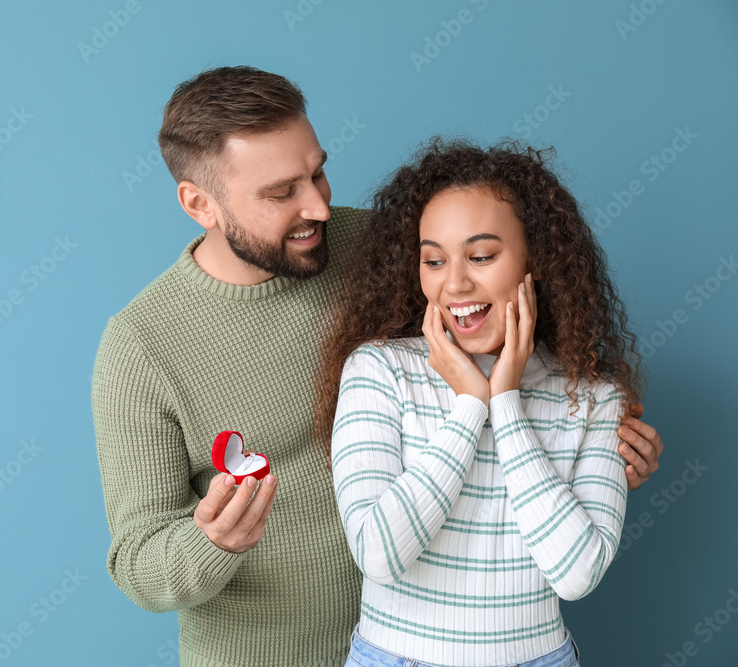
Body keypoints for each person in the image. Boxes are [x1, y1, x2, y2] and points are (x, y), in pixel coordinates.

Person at [92, 67, 663, 667]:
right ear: (199, 204)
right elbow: (137, 563)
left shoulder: (394, 248)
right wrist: (210, 543)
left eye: (317, 172)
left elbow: (517, 336)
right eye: (282, 191)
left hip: (448, 640)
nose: (319, 205)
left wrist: (589, 451)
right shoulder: (142, 345)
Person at [318, 139, 645, 666]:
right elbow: (378, 553)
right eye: (434, 260)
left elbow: (577, 574)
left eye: (482, 255)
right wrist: (471, 406)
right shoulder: (378, 370)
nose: (455, 283)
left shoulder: (594, 395)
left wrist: (507, 403)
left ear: (534, 260)